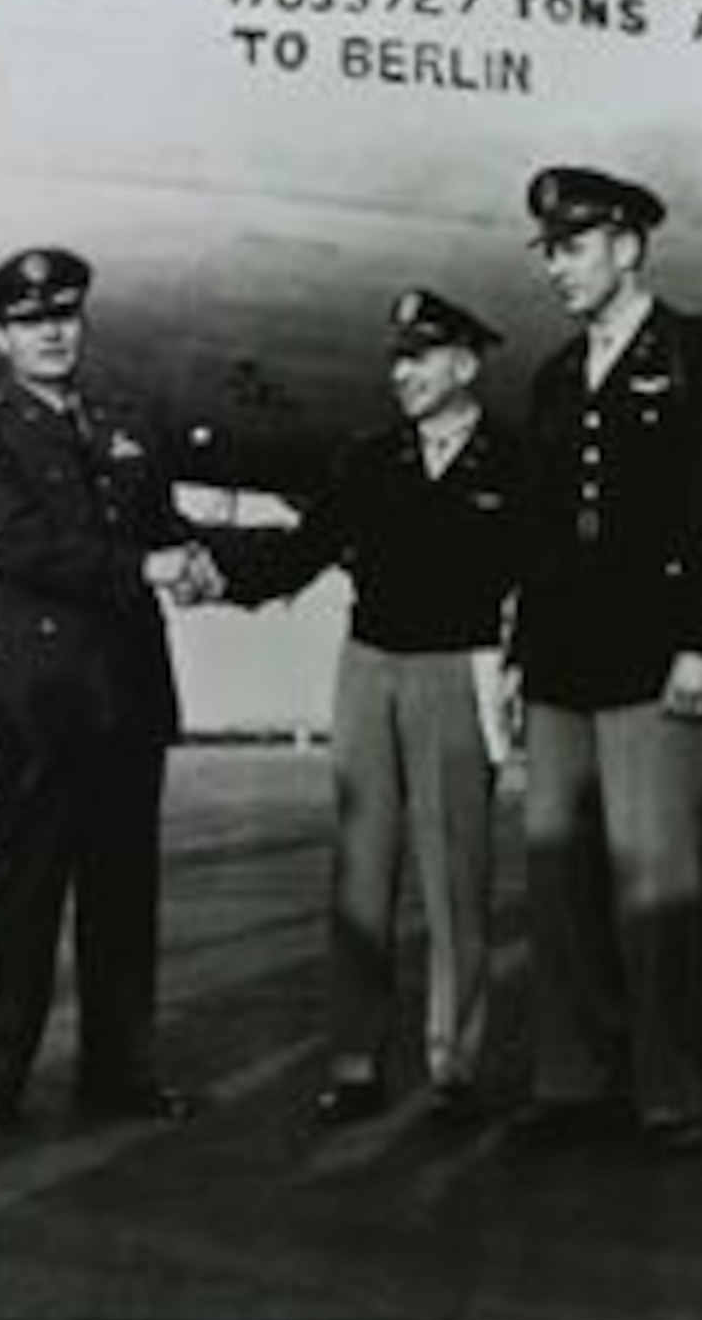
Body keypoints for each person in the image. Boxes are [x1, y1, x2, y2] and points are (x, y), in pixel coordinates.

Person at [201, 289, 524, 1126]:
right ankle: (354, 1061)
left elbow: (549, 581)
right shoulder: (368, 457)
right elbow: (300, 554)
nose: (403, 373)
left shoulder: (516, 461)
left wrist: (521, 668)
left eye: (421, 357)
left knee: (457, 873)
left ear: (466, 362)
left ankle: (454, 1065)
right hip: (369, 668)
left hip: (460, 670)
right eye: (397, 359)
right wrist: (210, 571)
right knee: (361, 871)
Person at [508, 164, 702, 1156]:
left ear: (626, 246)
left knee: (657, 891)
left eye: (571, 249)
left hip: (656, 663)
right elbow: (539, 533)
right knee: (559, 882)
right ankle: (574, 1083)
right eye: (548, 252)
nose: (555, 271)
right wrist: (523, 655)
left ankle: (668, 1096)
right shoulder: (555, 376)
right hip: (564, 670)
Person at [0, 247, 210, 1133]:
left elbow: (163, 525)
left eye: (64, 315)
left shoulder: (125, 420)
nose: (52, 332)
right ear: (0, 336)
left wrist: (214, 562)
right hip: (39, 695)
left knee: (122, 897)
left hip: (126, 692)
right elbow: (25, 551)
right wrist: (151, 563)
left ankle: (120, 1074)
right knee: (20, 897)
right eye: (29, 320)